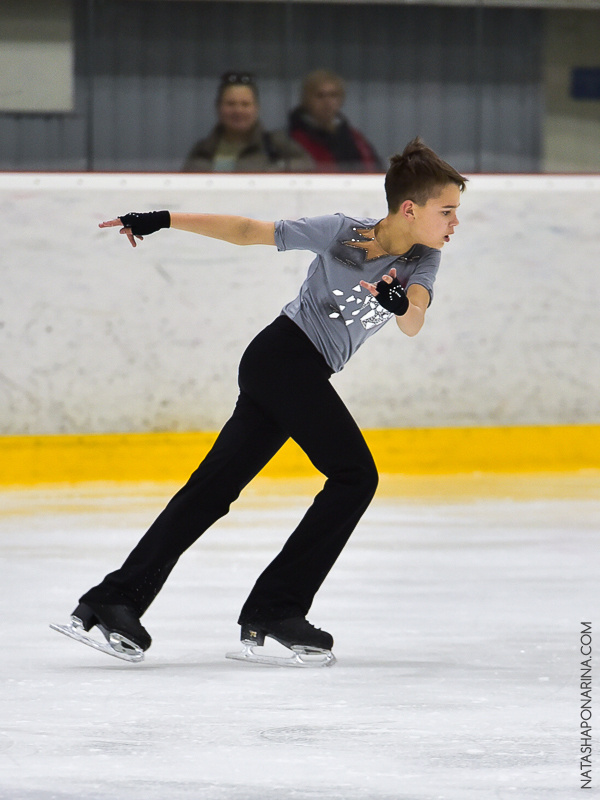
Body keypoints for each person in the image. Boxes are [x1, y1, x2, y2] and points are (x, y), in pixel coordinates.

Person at [53, 138, 466, 667]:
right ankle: (276, 608)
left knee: (212, 490)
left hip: (297, 372)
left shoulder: (424, 258)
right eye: (446, 211)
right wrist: (164, 218)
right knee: (355, 476)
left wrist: (398, 302)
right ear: (410, 208)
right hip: (283, 357)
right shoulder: (342, 232)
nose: (455, 223)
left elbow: (414, 320)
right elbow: (250, 231)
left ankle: (115, 600)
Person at [182, 71, 313, 173]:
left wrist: (271, 170)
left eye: (245, 104)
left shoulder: (275, 145)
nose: (238, 111)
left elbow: (307, 165)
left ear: (256, 108)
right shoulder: (202, 150)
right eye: (230, 104)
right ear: (218, 108)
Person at [289, 69, 383, 173]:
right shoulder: (293, 140)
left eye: (333, 95)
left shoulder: (355, 138)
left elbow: (373, 168)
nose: (327, 102)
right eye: (320, 95)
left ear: (341, 99)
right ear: (306, 99)